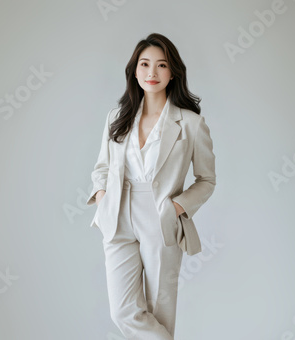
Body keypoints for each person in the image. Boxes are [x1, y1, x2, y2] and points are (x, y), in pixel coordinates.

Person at [86, 32, 216, 339]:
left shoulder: (190, 123)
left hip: (161, 216)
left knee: (160, 309)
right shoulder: (117, 117)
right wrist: (104, 198)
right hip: (117, 213)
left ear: (173, 73)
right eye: (145, 64)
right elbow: (101, 169)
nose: (152, 73)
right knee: (123, 311)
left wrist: (175, 208)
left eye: (161, 65)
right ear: (135, 70)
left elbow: (207, 180)